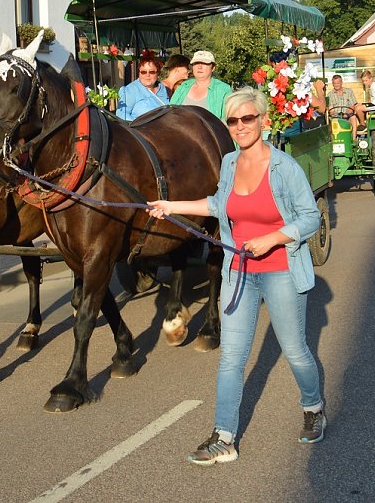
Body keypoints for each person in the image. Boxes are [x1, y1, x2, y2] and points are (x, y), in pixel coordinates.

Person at [147, 86, 325, 465]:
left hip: (280, 271)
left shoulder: (284, 167)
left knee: (295, 351)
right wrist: (169, 206)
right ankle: (224, 436)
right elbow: (216, 204)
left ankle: (313, 407)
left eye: (247, 118)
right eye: (233, 120)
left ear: (262, 120)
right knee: (231, 357)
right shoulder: (228, 163)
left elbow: (310, 217)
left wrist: (273, 238)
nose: (240, 126)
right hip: (238, 272)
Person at [169, 50, 232, 120]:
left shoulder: (223, 90)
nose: (199, 67)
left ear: (213, 68)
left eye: (204, 63)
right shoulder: (183, 87)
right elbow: (169, 113)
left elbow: (228, 120)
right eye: (196, 63)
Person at [116, 52, 169, 121]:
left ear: (158, 73)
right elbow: (121, 114)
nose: (147, 75)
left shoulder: (162, 88)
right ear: (139, 74)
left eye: (152, 72)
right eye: (143, 72)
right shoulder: (131, 90)